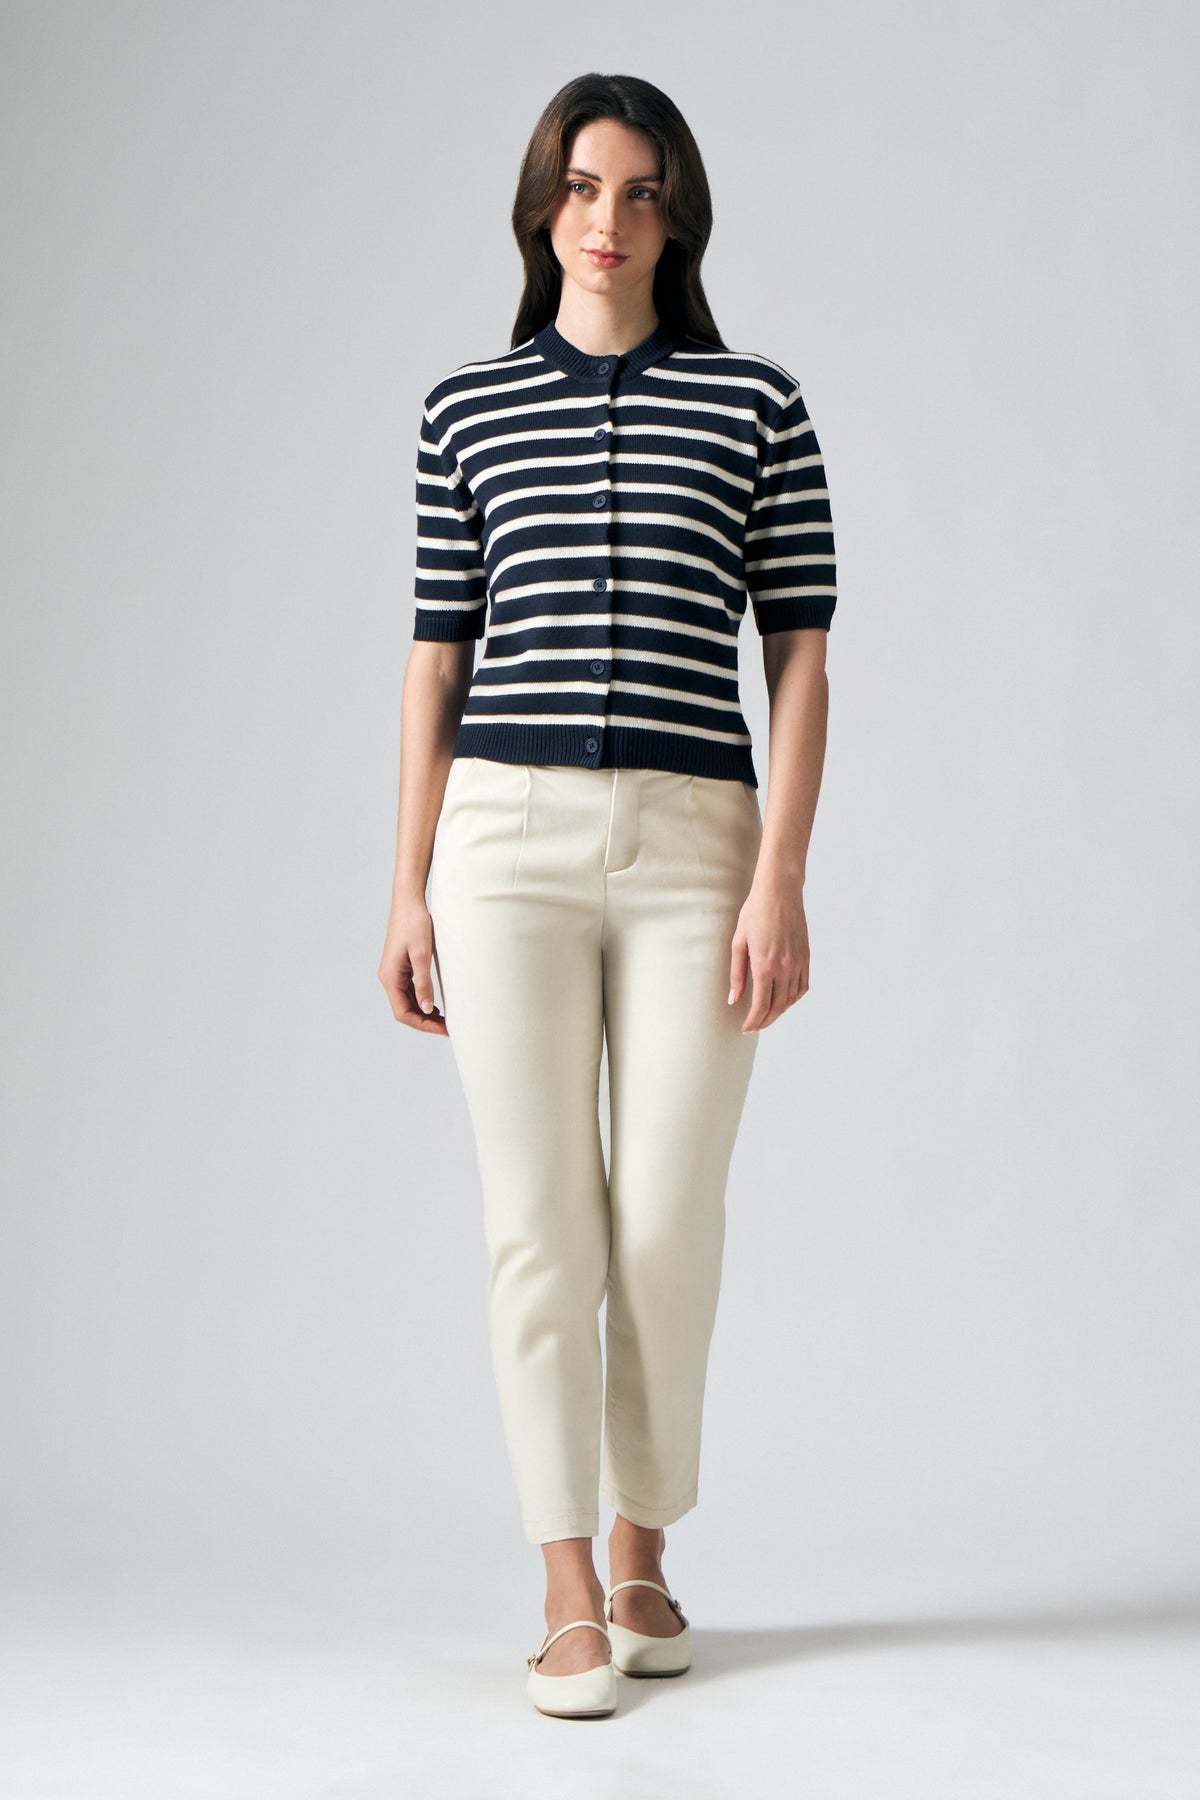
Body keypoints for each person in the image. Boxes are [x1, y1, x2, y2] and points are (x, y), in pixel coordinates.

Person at [378, 72, 836, 1719]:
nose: (609, 219)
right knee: (538, 1224)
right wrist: (407, 885)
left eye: (641, 191)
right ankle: (566, 1578)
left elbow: (799, 654)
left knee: (663, 1222)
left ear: (677, 218)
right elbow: (437, 662)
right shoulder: (465, 411)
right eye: (583, 187)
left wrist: (781, 875)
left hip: (699, 845)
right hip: (501, 845)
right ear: (542, 208)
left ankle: (647, 1544)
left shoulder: (758, 407)